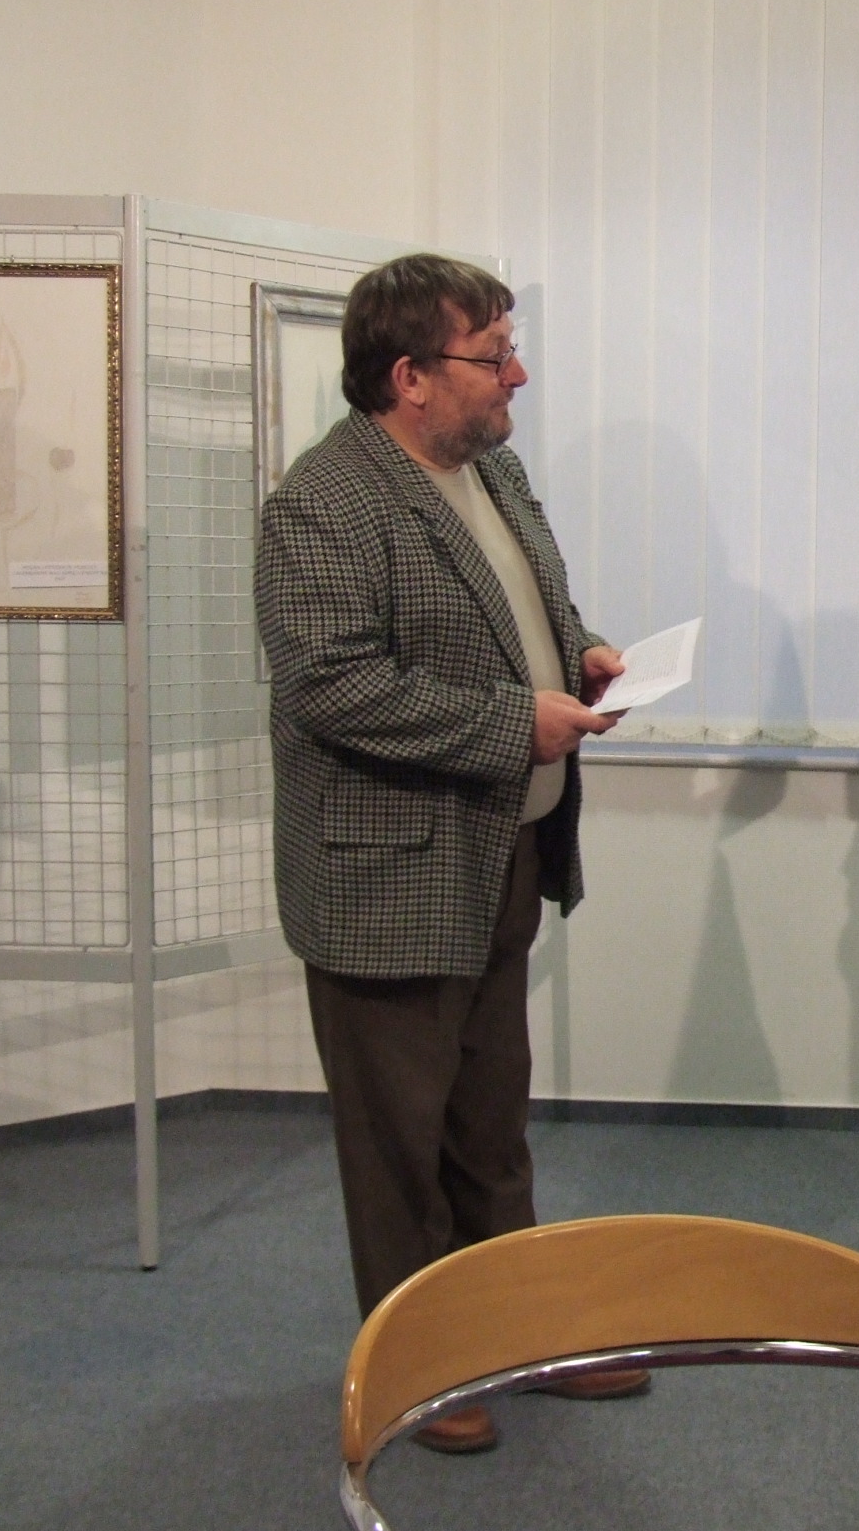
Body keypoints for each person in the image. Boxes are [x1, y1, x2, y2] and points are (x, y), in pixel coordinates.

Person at [254, 254, 644, 1454]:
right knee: (397, 1147)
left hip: (501, 853)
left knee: (487, 1127)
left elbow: (520, 608)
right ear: (409, 376)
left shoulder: (494, 469)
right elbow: (333, 685)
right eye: (493, 354)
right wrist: (512, 723)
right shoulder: (324, 502)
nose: (516, 374)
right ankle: (417, 1363)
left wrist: (579, 652)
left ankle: (514, 1336)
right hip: (388, 875)